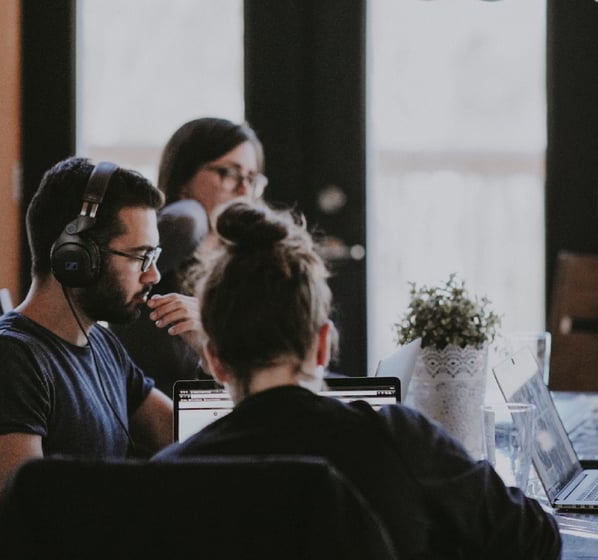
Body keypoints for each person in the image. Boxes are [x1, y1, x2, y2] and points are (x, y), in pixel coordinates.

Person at [153, 200, 560, 559]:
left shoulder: (168, 477)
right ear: (322, 345)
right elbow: (537, 540)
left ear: (215, 359)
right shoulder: (399, 440)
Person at [0, 157, 176, 560]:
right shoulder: (5, 363)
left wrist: (215, 345)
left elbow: (179, 433)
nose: (152, 277)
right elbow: (36, 525)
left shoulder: (100, 344)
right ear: (76, 257)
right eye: (140, 257)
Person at [110, 117, 266, 398]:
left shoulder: (248, 259)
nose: (244, 189)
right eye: (229, 173)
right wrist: (192, 210)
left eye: (252, 178)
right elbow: (184, 221)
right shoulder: (166, 243)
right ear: (184, 178)